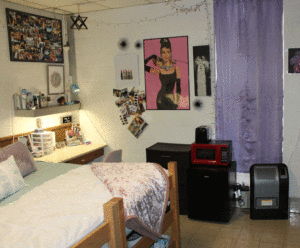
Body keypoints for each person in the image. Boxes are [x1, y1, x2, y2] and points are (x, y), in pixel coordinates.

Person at [144, 38, 181, 110]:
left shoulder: (176, 69)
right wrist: (152, 56)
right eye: (163, 52)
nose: (166, 55)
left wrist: (177, 102)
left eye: (168, 52)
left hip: (171, 100)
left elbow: (178, 88)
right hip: (160, 100)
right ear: (160, 54)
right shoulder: (159, 70)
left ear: (171, 53)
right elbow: (143, 66)